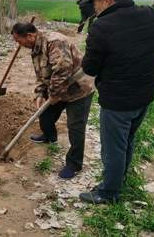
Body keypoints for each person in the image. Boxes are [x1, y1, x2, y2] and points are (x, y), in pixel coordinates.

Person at [78, 0, 154, 204]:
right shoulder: (152, 14)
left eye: (96, 3)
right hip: (145, 95)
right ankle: (120, 179)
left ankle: (108, 193)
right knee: (128, 140)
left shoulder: (102, 26)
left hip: (117, 102)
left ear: (107, 0)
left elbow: (89, 68)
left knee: (113, 149)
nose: (95, 8)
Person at [11, 23, 95, 179]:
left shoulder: (55, 42)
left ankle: (74, 164)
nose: (19, 44)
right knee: (45, 116)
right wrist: (40, 93)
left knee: (75, 127)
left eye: (18, 40)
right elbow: (41, 74)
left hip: (78, 89)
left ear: (29, 36)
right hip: (58, 88)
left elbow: (63, 69)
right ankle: (50, 136)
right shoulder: (35, 49)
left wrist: (54, 94)